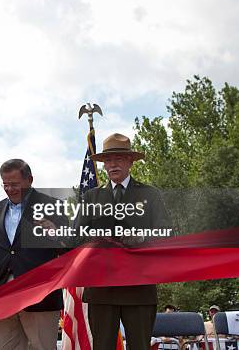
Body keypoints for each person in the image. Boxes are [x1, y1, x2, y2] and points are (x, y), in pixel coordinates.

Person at [74, 133, 171, 350]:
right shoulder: (91, 197)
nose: (112, 164)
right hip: (101, 289)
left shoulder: (150, 194)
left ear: (130, 162)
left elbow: (167, 233)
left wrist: (142, 238)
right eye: (108, 160)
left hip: (139, 289)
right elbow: (76, 236)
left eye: (118, 158)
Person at [0, 159, 65, 350]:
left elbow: (68, 251)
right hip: (2, 294)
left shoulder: (53, 205)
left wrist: (55, 234)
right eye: (5, 184)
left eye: (14, 184)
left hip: (39, 295)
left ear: (29, 179)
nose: (9, 189)